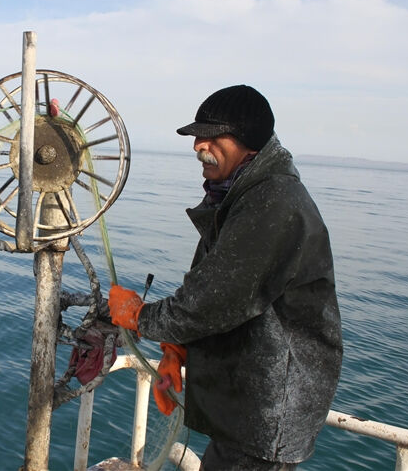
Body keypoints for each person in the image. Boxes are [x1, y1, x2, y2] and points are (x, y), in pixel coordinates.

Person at [107, 85, 343, 471]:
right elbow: (221, 287)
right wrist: (178, 350)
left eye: (212, 136)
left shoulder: (274, 202)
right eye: (198, 136)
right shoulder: (244, 196)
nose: (199, 146)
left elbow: (215, 298)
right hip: (248, 408)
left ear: (248, 142)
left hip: (267, 416)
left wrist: (139, 316)